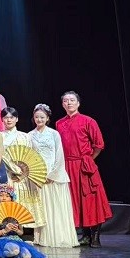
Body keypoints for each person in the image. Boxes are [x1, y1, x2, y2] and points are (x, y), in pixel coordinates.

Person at [56, 91, 112, 248]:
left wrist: (88, 159)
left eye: (72, 100)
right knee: (75, 201)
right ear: (62, 104)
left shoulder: (88, 121)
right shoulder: (59, 123)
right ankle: (85, 235)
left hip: (84, 165)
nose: (69, 103)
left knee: (91, 199)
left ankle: (95, 236)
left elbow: (99, 144)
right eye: (65, 101)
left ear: (78, 103)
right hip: (67, 166)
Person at [29, 104, 80, 248]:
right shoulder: (30, 135)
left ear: (47, 118)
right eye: (37, 117)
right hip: (38, 176)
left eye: (42, 117)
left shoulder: (54, 134)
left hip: (55, 175)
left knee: (57, 208)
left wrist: (52, 174)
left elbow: (59, 155)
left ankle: (60, 237)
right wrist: (37, 175)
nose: (39, 119)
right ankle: (44, 238)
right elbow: (29, 156)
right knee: (43, 208)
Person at [0, 107, 46, 232]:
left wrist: (23, 172)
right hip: (5, 173)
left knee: (23, 200)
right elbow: (0, 155)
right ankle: (8, 230)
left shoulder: (25, 136)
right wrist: (12, 168)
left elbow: (30, 156)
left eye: (12, 117)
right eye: (6, 117)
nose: (9, 120)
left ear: (17, 119)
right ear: (2, 120)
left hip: (22, 174)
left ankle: (25, 231)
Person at [0, 184, 46, 258]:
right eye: (1, 195)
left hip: (15, 238)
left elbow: (21, 232)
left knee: (20, 247)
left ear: (11, 198)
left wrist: (16, 230)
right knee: (8, 247)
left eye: (7, 196)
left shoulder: (17, 211)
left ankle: (22, 253)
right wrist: (4, 230)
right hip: (0, 239)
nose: (4, 198)